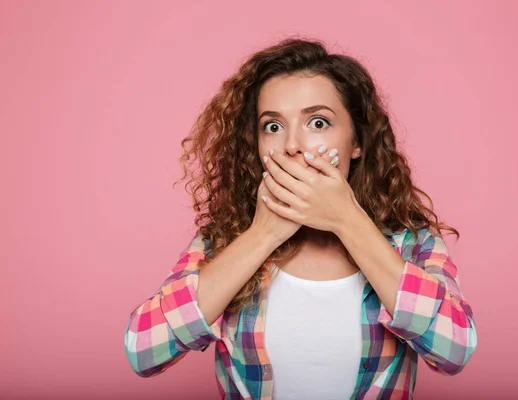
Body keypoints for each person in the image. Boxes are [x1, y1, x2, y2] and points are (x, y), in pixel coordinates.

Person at [124, 37, 477, 400]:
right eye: (273, 127)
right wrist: (262, 235)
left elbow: (455, 350)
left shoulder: (412, 244)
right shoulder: (224, 244)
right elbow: (142, 350)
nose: (292, 145)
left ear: (357, 142)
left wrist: (347, 221)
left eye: (318, 122)